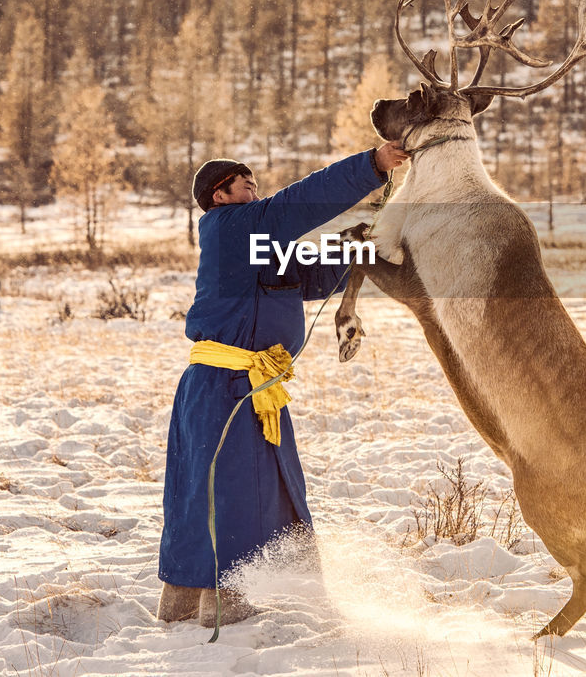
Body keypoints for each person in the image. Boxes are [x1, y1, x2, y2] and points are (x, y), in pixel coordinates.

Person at [157, 142, 408, 627]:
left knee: (242, 492)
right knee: (229, 494)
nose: (255, 189)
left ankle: (183, 606)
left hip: (252, 390)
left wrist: (359, 245)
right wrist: (371, 165)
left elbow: (312, 278)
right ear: (219, 196)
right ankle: (222, 608)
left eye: (255, 184)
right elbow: (299, 202)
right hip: (223, 387)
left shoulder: (256, 243)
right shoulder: (229, 228)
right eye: (244, 185)